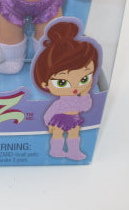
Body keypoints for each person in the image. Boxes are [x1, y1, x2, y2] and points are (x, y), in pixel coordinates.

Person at [32, 19, 100, 160]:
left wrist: (85, 94)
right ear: (45, 84)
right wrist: (48, 122)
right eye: (62, 82)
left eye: (84, 79)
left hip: (74, 118)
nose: (75, 87)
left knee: (74, 134)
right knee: (57, 134)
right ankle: (56, 150)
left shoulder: (79, 99)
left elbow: (86, 107)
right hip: (59, 118)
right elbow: (51, 111)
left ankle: (74, 151)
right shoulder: (60, 103)